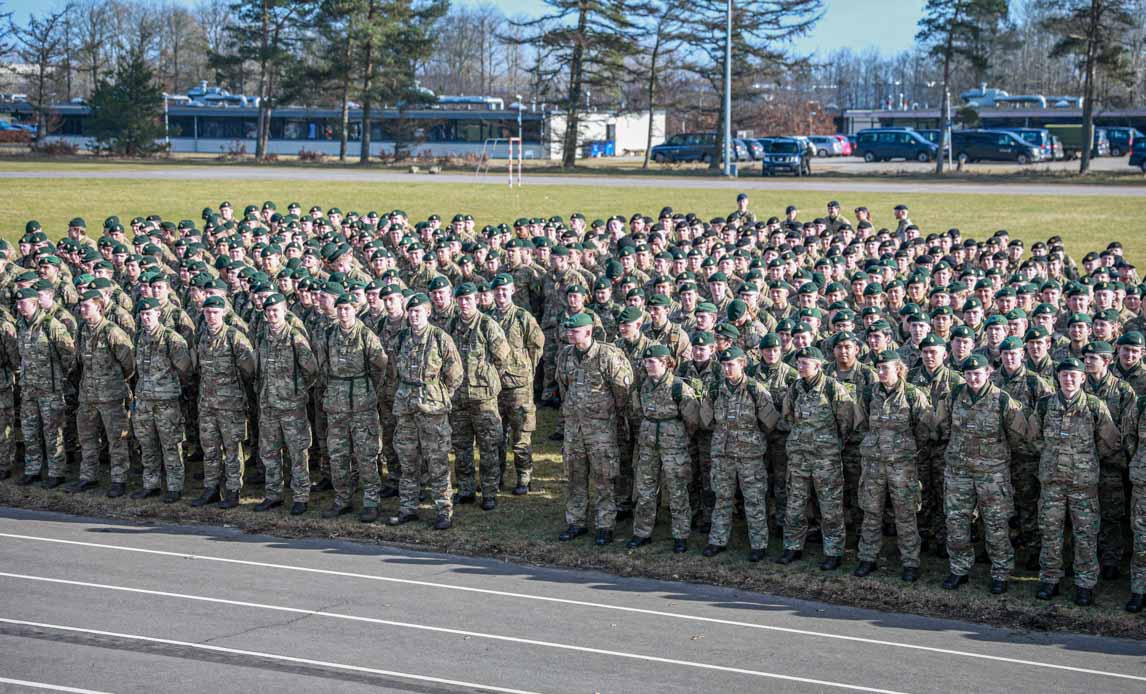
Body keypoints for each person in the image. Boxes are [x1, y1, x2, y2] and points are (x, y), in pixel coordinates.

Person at [1028, 357, 1121, 606]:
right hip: (1052, 482)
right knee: (1050, 532)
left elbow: (1110, 442)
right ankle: (1050, 579)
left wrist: (1086, 460)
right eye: (1064, 375)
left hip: (1083, 484)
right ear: (1057, 378)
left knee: (1086, 534)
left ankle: (1085, 584)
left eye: (1073, 375)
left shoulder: (1094, 406)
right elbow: (1033, 437)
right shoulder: (1046, 405)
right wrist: (1051, 456)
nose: (1068, 379)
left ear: (1082, 378)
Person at [935, 354, 1028, 594]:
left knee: (996, 524)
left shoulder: (1003, 400)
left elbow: (1018, 437)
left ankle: (1000, 572)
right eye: (968, 374)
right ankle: (959, 569)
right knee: (956, 522)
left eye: (978, 373)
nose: (973, 377)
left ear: (988, 373)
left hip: (992, 474)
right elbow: (942, 427)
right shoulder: (954, 396)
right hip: (959, 471)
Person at [853, 350, 932, 582]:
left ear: (898, 369)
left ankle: (910, 562)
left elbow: (925, 428)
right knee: (871, 512)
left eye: (885, 368)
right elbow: (860, 424)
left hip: (902, 466)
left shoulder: (912, 394)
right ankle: (867, 557)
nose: (880, 372)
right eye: (878, 368)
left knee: (905, 514)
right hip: (874, 465)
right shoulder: (869, 394)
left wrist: (906, 448)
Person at [554, 311, 633, 545]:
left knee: (604, 479)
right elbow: (563, 386)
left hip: (601, 430)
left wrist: (606, 413)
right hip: (574, 429)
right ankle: (576, 522)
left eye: (574, 331)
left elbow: (623, 391)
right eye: (568, 330)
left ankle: (605, 525)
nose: (570, 334)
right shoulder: (566, 355)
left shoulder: (607, 355)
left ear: (588, 332)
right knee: (575, 477)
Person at [778, 346, 855, 570]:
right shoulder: (795, 388)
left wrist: (831, 442)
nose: (800, 366)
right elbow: (788, 416)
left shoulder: (833, 388)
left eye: (805, 363)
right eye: (799, 362)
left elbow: (846, 421)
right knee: (795, 504)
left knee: (830, 506)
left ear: (818, 365)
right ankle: (792, 547)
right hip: (799, 456)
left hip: (826, 458)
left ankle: (833, 551)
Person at [390, 293, 463, 529]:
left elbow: (455, 373)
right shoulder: (402, 338)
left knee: (437, 462)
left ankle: (444, 510)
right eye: (410, 312)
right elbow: (393, 369)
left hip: (432, 409)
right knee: (408, 461)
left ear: (428, 313)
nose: (413, 316)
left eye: (418, 311)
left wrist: (440, 395)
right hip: (406, 408)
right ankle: (408, 508)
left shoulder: (440, 338)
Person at [701, 346, 781, 560]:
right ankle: (717, 540)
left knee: (754, 500)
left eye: (731, 365)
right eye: (724, 365)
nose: (727, 369)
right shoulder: (715, 388)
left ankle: (759, 544)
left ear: (742, 364)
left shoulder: (756, 390)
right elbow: (706, 419)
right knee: (722, 498)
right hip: (723, 454)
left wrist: (750, 438)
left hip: (750, 456)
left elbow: (770, 422)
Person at [316, 293, 389, 522]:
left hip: (362, 404)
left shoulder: (366, 335)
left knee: (366, 455)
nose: (343, 313)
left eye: (348, 308)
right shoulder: (328, 335)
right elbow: (322, 366)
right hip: (336, 404)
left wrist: (367, 389)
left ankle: (371, 501)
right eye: (340, 309)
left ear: (355, 310)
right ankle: (342, 500)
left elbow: (381, 366)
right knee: (337, 454)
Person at [627, 344, 701, 552]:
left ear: (665, 363)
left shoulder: (679, 388)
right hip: (649, 446)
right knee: (645, 491)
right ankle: (642, 532)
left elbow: (692, 420)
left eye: (652, 362)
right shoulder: (643, 386)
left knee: (677, 491)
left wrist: (676, 435)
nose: (647, 365)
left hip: (674, 447)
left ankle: (681, 535)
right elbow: (638, 411)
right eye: (646, 361)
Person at [446, 282, 510, 510]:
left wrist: (488, 378)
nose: (464, 303)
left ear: (476, 300)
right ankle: (465, 489)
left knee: (489, 447)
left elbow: (502, 357)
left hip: (483, 399)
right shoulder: (452, 324)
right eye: (460, 299)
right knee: (461, 447)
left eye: (469, 299)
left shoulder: (487, 325)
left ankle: (490, 491)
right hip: (459, 398)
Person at [253, 293, 318, 515]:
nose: (272, 315)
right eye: (268, 311)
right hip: (269, 405)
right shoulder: (262, 338)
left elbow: (311, 370)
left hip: (291, 406)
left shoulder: (295, 338)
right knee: (269, 452)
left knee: (298, 452)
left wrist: (296, 390)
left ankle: (301, 496)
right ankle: (273, 494)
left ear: (284, 312)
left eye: (276, 311)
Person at [69, 289, 135, 497]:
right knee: (87, 439)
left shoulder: (112, 332)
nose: (82, 309)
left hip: (111, 396)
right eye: (81, 306)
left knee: (116, 440)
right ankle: (88, 476)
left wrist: (114, 382)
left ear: (99, 307)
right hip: (88, 395)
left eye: (86, 306)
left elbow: (129, 364)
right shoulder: (83, 330)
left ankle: (119, 479)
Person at [192, 295, 255, 509]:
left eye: (215, 312)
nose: (211, 316)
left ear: (224, 313)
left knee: (232, 449)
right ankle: (211, 488)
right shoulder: (203, 336)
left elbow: (249, 369)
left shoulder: (234, 337)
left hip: (230, 403)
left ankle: (232, 490)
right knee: (210, 447)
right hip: (207, 402)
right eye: (208, 312)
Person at [131, 297, 194, 502]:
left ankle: (175, 486)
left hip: (166, 401)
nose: (146, 318)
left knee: (171, 445)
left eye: (149, 314)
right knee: (147, 443)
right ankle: (151, 484)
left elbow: (185, 370)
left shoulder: (172, 339)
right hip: (144, 400)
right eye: (142, 315)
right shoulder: (139, 337)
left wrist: (172, 388)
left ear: (158, 314)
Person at [13, 286, 75, 488]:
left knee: (52, 433)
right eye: (18, 303)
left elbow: (68, 355)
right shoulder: (21, 324)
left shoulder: (51, 325)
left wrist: (59, 378)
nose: (19, 306)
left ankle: (57, 473)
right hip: (29, 388)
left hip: (50, 389)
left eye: (23, 303)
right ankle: (33, 470)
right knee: (30, 432)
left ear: (34, 303)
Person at [489, 273, 544, 495]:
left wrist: (525, 368)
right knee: (495, 436)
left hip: (519, 387)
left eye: (505, 290)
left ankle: (524, 477)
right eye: (497, 291)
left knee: (521, 436)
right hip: (494, 387)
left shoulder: (522, 317)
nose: (501, 294)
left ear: (512, 291)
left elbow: (537, 344)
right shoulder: (488, 318)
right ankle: (496, 477)